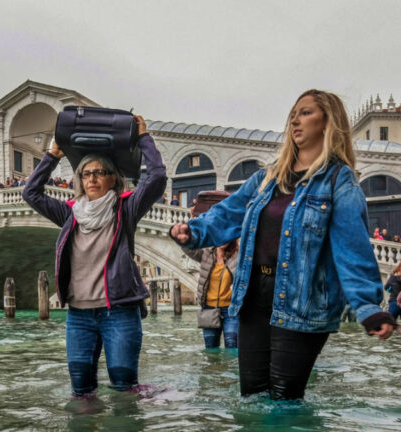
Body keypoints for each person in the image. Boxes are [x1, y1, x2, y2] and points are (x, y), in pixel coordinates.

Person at [169, 89, 399, 400]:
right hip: (253, 297)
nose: (295, 120)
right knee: (251, 398)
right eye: (293, 114)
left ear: (328, 123)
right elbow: (229, 212)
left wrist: (368, 306)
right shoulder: (268, 177)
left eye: (306, 113)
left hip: (302, 300)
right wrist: (192, 231)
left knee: (284, 401)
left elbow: (352, 248)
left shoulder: (339, 181)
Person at [22, 115, 166, 398]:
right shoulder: (68, 214)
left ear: (113, 179)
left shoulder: (126, 209)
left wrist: (143, 138)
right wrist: (52, 156)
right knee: (81, 393)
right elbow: (31, 193)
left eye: (100, 172)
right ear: (79, 179)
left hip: (120, 313)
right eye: (86, 173)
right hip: (78, 316)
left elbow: (157, 177)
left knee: (125, 391)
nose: (92, 178)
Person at [184, 241, 239, 349]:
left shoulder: (237, 256)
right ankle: (213, 366)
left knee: (232, 345)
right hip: (209, 308)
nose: (222, 239)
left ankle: (230, 366)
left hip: (231, 310)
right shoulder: (206, 254)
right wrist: (182, 237)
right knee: (210, 348)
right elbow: (188, 248)